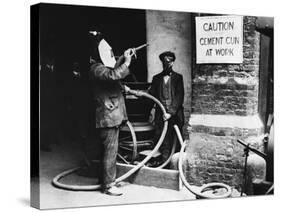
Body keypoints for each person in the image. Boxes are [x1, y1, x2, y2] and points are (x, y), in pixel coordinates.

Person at [88, 31, 134, 196]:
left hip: (112, 115)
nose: (111, 55)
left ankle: (104, 180)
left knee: (108, 150)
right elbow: (113, 75)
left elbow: (114, 73)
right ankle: (108, 185)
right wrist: (127, 62)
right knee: (110, 150)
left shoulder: (102, 67)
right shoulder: (96, 68)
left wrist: (123, 57)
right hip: (107, 117)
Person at [149, 51, 185, 164]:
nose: (167, 64)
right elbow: (151, 97)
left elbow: (180, 96)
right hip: (161, 117)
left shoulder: (178, 78)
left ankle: (176, 167)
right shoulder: (156, 79)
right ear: (162, 63)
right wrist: (149, 112)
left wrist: (170, 112)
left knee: (176, 141)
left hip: (174, 117)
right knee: (163, 141)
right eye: (165, 62)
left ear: (173, 63)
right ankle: (164, 167)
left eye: (169, 62)